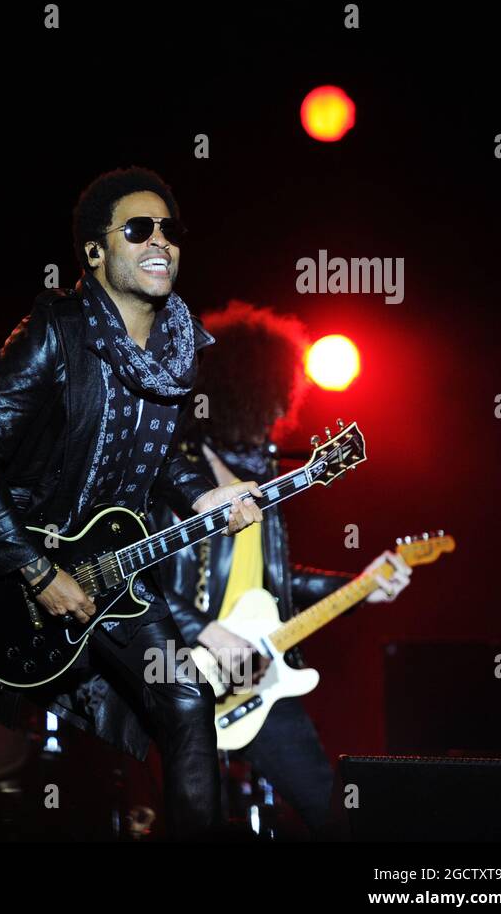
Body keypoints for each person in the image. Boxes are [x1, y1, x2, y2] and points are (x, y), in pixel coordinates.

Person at [0, 166, 264, 841]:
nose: (160, 240)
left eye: (171, 228)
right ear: (96, 252)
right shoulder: (54, 330)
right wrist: (36, 570)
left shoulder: (179, 348)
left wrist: (203, 492)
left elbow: (154, 464)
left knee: (186, 699)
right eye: (139, 228)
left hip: (108, 565)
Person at [155, 300, 411, 837]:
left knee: (333, 812)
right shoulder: (177, 470)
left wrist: (365, 585)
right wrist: (206, 632)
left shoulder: (265, 475)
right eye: (272, 395)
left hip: (259, 677)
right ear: (240, 392)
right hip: (178, 673)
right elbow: (145, 574)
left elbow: (278, 579)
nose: (281, 411)